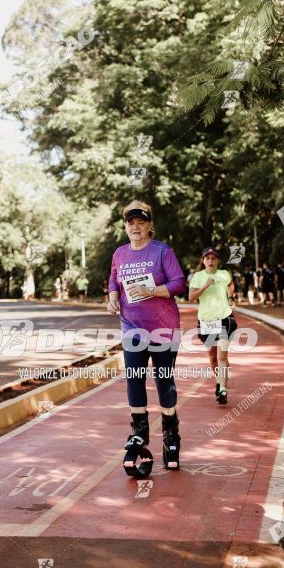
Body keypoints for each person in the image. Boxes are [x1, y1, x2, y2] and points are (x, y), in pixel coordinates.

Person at [107, 200, 186, 474]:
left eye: (141, 222)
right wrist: (113, 296)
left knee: (164, 382)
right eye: (131, 222)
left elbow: (179, 283)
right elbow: (113, 280)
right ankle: (139, 432)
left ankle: (171, 438)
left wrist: (154, 290)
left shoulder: (162, 251)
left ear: (150, 225)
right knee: (134, 380)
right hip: (132, 328)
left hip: (164, 328)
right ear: (126, 226)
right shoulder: (119, 254)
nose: (136, 226)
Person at [189, 247, 236, 406]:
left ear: (217, 261)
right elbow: (191, 298)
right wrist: (205, 286)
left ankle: (222, 389)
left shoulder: (224, 274)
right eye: (207, 258)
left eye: (213, 258)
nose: (210, 260)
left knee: (222, 357)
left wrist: (230, 298)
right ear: (203, 260)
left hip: (224, 318)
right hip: (206, 321)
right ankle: (219, 379)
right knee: (213, 357)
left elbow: (230, 285)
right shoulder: (198, 276)